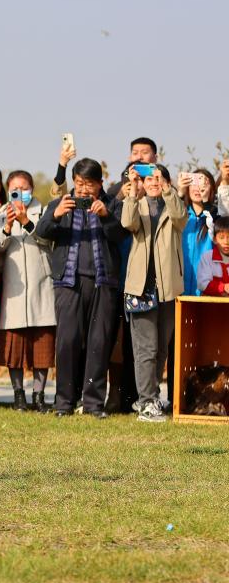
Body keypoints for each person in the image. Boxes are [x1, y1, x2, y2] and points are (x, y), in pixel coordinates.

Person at [37, 158, 126, 419]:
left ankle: (93, 404)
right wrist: (55, 214)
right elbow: (42, 232)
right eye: (79, 183)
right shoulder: (61, 204)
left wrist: (105, 216)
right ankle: (64, 402)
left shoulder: (112, 205)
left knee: (99, 342)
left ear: (100, 184)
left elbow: (121, 236)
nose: (84, 190)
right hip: (68, 282)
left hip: (103, 282)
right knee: (67, 342)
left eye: (89, 184)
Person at [119, 165, 187, 422]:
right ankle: (147, 402)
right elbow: (128, 222)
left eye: (158, 178)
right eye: (149, 178)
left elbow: (181, 218)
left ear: (166, 182)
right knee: (145, 349)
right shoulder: (137, 203)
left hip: (167, 289)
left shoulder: (173, 205)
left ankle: (148, 398)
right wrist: (133, 189)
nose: (153, 182)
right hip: (140, 287)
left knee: (161, 350)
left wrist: (169, 190)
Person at [0, 170, 55, 411]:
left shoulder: (45, 212)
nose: (20, 194)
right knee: (13, 347)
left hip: (41, 286)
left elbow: (48, 240)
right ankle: (19, 396)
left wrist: (27, 221)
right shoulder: (0, 214)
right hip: (14, 292)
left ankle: (38, 396)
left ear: (32, 189)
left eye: (24, 188)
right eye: (15, 189)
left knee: (42, 346)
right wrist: (7, 226)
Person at [182, 169, 217, 295]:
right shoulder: (180, 216)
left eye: (204, 184)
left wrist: (206, 201)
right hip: (179, 290)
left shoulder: (216, 217)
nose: (198, 188)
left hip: (207, 290)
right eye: (194, 183)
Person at [199, 217, 229, 295]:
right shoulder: (207, 257)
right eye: (221, 238)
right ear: (215, 239)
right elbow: (202, 284)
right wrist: (223, 287)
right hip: (212, 305)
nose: (226, 242)